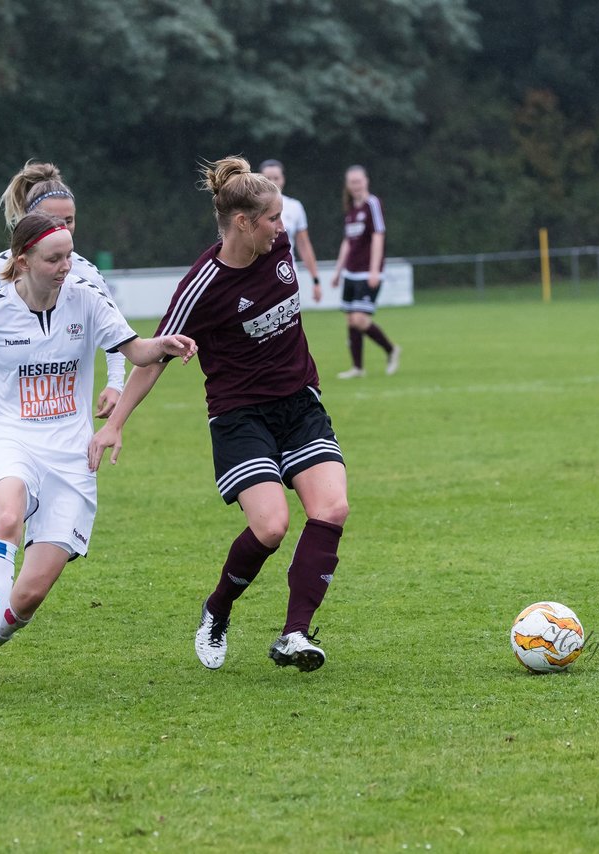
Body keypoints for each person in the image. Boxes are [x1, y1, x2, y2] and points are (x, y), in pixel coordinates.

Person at [0, 212, 196, 688]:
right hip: (9, 435)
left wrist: (161, 344)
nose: (67, 266)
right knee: (7, 517)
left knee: (33, 592)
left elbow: (135, 350)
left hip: (70, 453)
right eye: (55, 258)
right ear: (23, 261)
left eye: (69, 255)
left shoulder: (87, 301)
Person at [88, 155, 350, 674]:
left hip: (299, 403)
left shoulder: (280, 249)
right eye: (273, 219)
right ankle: (217, 608)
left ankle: (294, 634)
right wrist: (115, 424)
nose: (282, 227)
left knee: (332, 510)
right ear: (243, 224)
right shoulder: (201, 286)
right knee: (272, 527)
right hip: (240, 417)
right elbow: (156, 356)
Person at [0, 162, 126, 542]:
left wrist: (116, 383)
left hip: (55, 415)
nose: (64, 228)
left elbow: (118, 333)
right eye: (52, 219)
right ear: (28, 220)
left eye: (70, 220)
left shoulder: (86, 274)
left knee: (23, 512)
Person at [329, 165, 400, 379]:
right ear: (348, 185)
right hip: (350, 272)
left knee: (360, 319)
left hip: (366, 272)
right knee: (351, 320)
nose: (356, 186)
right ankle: (358, 368)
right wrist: (338, 270)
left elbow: (379, 236)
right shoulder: (351, 210)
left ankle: (391, 349)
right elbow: (347, 242)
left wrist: (374, 270)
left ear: (366, 181)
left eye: (359, 181)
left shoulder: (373, 204)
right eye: (352, 182)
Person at [258, 159, 322, 303]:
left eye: (276, 178)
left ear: (283, 180)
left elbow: (304, 245)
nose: (272, 182)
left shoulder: (295, 207)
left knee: (290, 323)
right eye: (268, 178)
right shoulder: (251, 208)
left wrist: (315, 280)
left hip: (286, 275)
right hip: (259, 275)